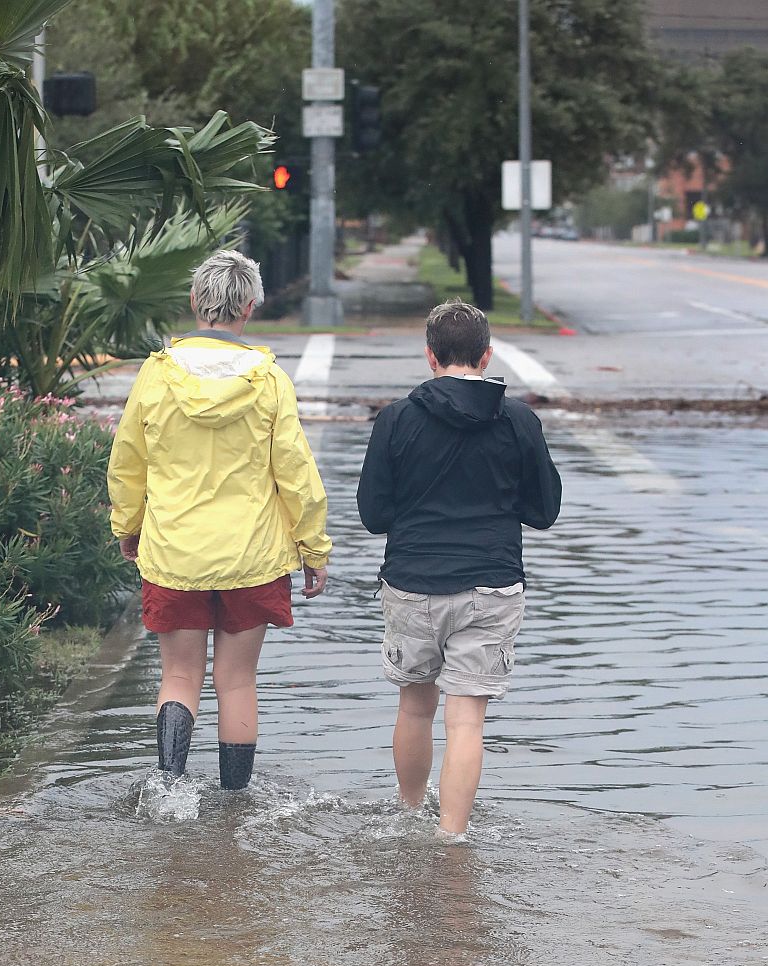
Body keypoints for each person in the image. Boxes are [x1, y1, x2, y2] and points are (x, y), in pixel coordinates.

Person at [107, 250, 331, 790]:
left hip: (174, 552)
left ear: (194, 303)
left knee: (179, 676)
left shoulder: (157, 376)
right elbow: (295, 472)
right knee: (236, 682)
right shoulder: (269, 381)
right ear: (249, 306)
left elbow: (127, 460)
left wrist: (128, 526)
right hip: (252, 556)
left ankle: (168, 791)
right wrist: (314, 548)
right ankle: (234, 803)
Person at [357, 299, 561, 836]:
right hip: (490, 584)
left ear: (429, 356)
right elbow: (545, 512)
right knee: (466, 719)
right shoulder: (518, 420)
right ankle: (452, 838)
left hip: (412, 583)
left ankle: (407, 815)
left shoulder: (396, 419)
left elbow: (373, 516)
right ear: (487, 355)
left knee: (415, 707)